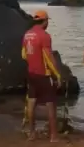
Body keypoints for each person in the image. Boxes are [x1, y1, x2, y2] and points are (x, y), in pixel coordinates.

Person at [22, 10, 62, 142]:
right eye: (47, 21)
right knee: (50, 104)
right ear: (45, 21)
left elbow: (23, 55)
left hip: (31, 72)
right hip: (43, 74)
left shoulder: (27, 34)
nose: (47, 23)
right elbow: (49, 57)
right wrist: (57, 75)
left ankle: (32, 133)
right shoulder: (44, 35)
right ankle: (54, 136)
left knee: (32, 102)